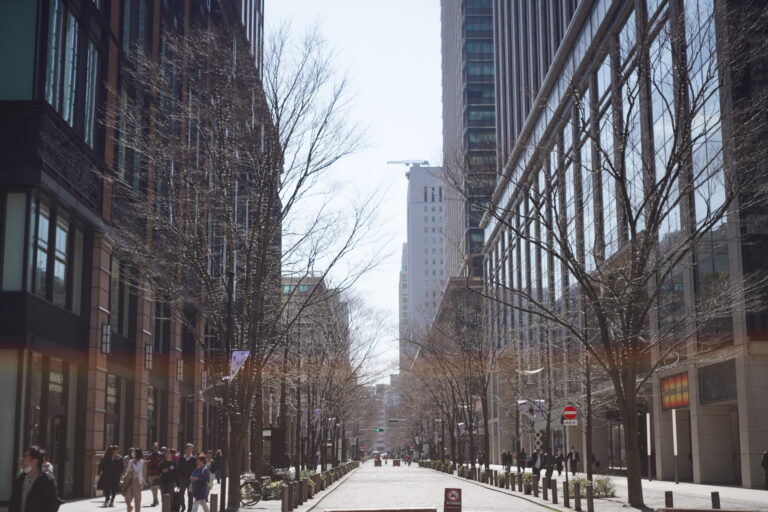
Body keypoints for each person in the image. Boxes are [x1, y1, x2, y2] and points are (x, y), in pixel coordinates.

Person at [8, 446, 59, 512]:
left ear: (34, 461)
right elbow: (13, 504)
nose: (22, 459)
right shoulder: (20, 478)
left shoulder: (47, 481)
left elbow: (51, 507)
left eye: (25, 456)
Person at [122, 447, 145, 512]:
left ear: (138, 453)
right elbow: (128, 470)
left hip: (137, 480)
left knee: (137, 499)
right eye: (132, 452)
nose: (132, 453)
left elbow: (137, 470)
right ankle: (130, 507)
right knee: (127, 498)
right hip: (130, 480)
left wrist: (134, 464)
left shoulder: (141, 461)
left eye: (134, 452)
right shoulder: (130, 461)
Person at [178, 444, 197, 512]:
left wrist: (194, 477)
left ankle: (190, 509)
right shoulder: (181, 458)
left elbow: (196, 469)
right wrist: (179, 478)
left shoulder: (194, 459)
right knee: (181, 493)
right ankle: (183, 506)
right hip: (182, 479)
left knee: (190, 495)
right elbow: (178, 469)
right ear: (185, 450)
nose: (189, 450)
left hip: (191, 479)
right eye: (188, 449)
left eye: (191, 449)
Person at [147, 442, 164, 507]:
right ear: (152, 447)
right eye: (154, 447)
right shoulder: (150, 454)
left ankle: (155, 500)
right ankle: (156, 499)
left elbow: (161, 462)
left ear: (158, 447)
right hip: (150, 472)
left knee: (155, 487)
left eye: (156, 447)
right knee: (151, 487)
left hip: (156, 473)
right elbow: (148, 462)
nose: (155, 448)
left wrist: (155, 463)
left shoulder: (161, 454)